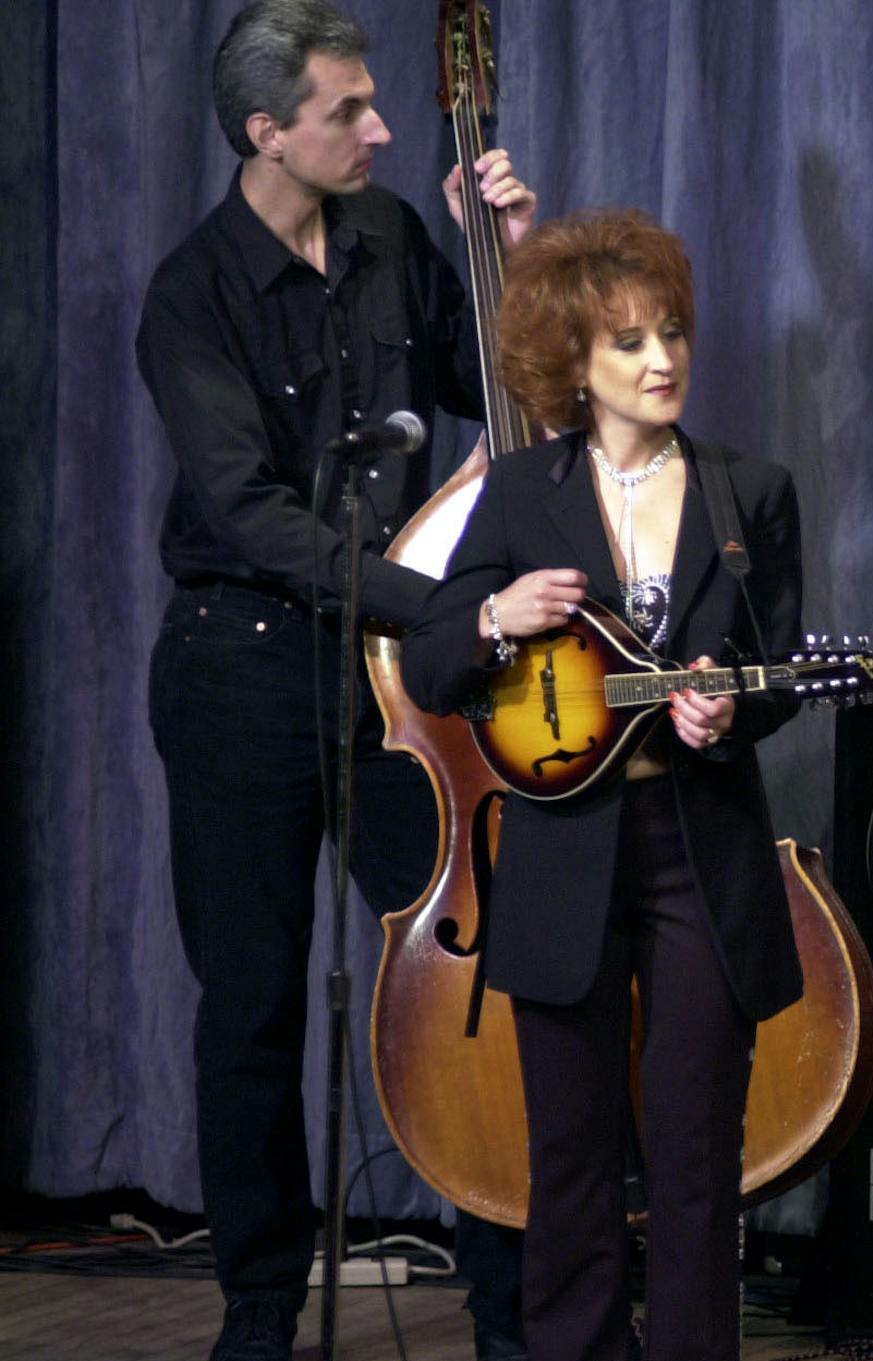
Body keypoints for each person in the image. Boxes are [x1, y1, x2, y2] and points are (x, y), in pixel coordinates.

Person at [133, 4, 538, 1359]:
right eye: (347, 113)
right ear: (267, 133)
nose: (379, 129)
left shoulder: (389, 239)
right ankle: (258, 1308)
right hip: (244, 670)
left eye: (377, 102)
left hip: (393, 681)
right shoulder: (193, 295)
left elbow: (510, 393)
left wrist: (513, 263)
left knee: (466, 981)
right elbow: (250, 515)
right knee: (249, 1001)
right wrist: (449, 605)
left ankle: (509, 1301)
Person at [399, 208, 806, 1361]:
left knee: (694, 1161)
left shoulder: (750, 491)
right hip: (562, 853)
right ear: (573, 362)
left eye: (671, 331)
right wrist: (491, 612)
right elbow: (433, 662)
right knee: (568, 1161)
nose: (660, 358)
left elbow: (778, 671)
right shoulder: (524, 490)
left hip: (701, 846)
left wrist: (732, 707)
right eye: (627, 341)